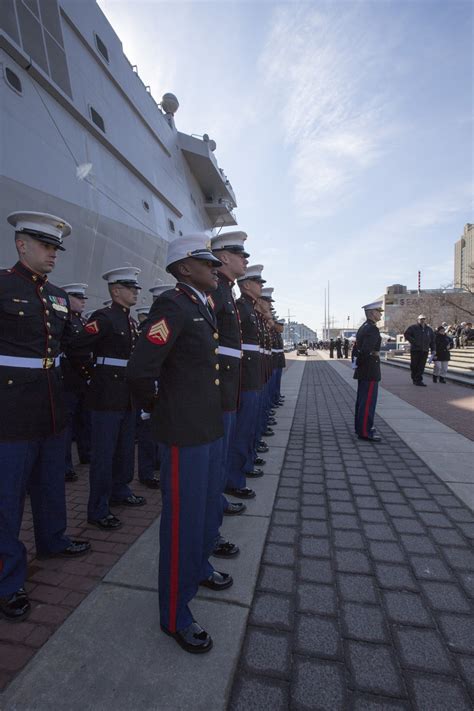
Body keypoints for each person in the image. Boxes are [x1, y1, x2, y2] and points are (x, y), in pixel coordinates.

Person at [127, 233, 232, 654]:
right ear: (184, 268)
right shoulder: (172, 305)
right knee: (181, 523)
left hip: (206, 428)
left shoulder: (199, 306)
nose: (215, 269)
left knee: (207, 509)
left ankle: (199, 566)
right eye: (208, 263)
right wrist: (162, 410)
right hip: (183, 433)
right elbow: (140, 371)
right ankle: (174, 614)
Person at [0, 212, 91, 622]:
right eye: (46, 246)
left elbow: (71, 343)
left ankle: (53, 539)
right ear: (22, 245)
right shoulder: (3, 285)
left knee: (51, 481)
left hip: (52, 404)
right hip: (11, 408)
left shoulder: (56, 295)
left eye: (56, 248)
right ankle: (7, 580)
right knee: (6, 499)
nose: (54, 254)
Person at [69, 266, 146, 531]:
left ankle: (120, 491)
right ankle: (98, 508)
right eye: (131, 288)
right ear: (116, 291)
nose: (136, 291)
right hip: (105, 396)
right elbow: (77, 348)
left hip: (126, 395)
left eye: (136, 287)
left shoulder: (131, 321)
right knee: (104, 454)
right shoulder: (103, 318)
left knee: (125, 450)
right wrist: (92, 375)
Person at [210, 231, 251, 550]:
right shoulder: (216, 291)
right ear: (223, 257)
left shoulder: (225, 291)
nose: (245, 260)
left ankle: (217, 507)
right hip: (216, 387)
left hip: (228, 384)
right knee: (215, 460)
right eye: (240, 254)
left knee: (222, 454)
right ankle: (210, 527)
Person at [226, 265, 266, 500]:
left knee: (247, 427)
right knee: (240, 431)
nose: (260, 286)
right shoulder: (240, 307)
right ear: (246, 285)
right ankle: (234, 479)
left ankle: (243, 467)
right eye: (258, 282)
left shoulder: (248, 309)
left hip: (252, 374)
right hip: (243, 376)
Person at [60, 283, 91, 482]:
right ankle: (65, 466)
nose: (83, 301)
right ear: (68, 299)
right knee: (67, 425)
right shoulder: (65, 320)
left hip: (80, 380)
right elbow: (72, 352)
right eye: (79, 298)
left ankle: (86, 453)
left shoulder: (80, 321)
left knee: (83, 420)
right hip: (68, 379)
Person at [354, 301, 383, 442]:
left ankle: (361, 428)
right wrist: (361, 362)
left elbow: (358, 349)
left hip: (364, 368)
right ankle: (365, 431)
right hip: (370, 368)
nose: (381, 314)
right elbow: (366, 351)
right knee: (368, 402)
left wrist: (358, 364)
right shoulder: (372, 329)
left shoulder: (363, 327)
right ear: (372, 313)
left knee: (362, 400)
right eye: (379, 311)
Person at [404, 314, 435, 386]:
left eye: (424, 319)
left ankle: (418, 380)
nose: (422, 320)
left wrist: (433, 349)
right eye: (421, 319)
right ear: (418, 320)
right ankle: (414, 378)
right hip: (415, 349)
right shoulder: (413, 327)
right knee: (414, 365)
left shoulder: (429, 329)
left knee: (421, 366)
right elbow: (406, 334)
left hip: (425, 350)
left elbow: (432, 340)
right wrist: (414, 341)